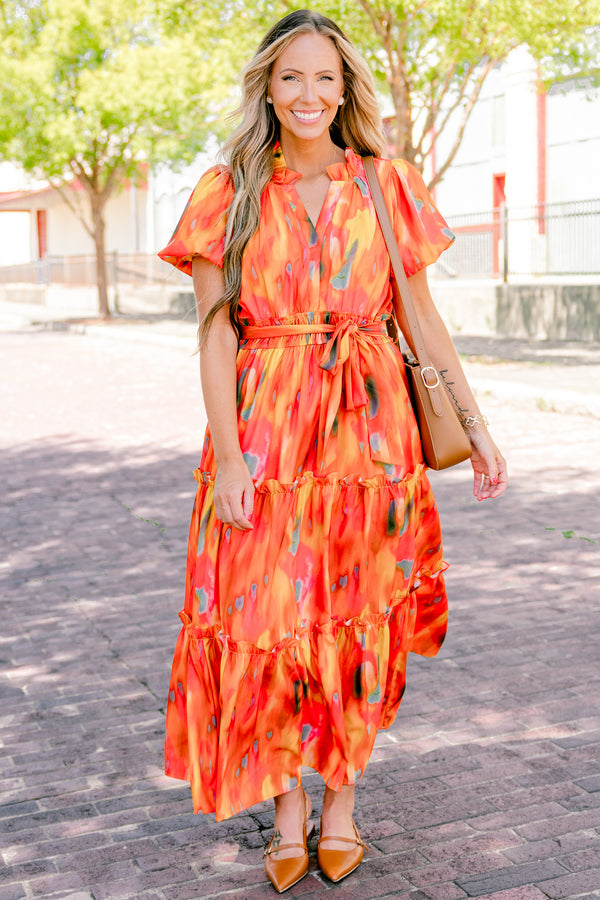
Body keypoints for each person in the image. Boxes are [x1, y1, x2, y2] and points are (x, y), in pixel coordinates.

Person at [158, 9, 507, 893]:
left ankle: (341, 805)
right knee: (266, 622)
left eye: (324, 78)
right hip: (266, 432)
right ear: (267, 90)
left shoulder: (387, 185)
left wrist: (480, 425)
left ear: (345, 88)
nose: (308, 95)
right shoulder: (226, 189)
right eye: (290, 78)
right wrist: (230, 458)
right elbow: (213, 337)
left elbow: (421, 319)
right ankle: (283, 810)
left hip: (369, 433)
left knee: (351, 623)